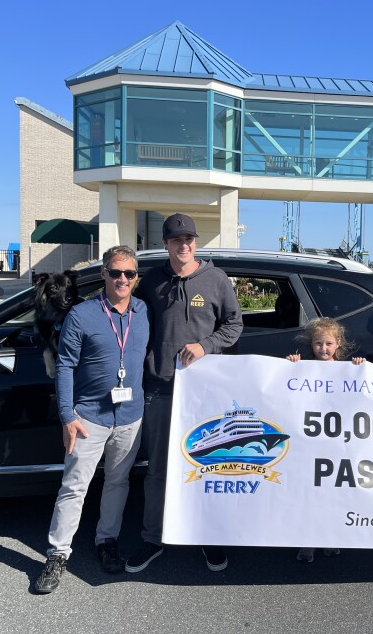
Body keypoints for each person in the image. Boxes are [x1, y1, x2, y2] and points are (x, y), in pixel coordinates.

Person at [125, 214, 243, 574]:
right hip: (159, 389)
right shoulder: (152, 282)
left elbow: (234, 324)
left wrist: (207, 345)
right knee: (158, 470)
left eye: (189, 238)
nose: (184, 244)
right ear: (166, 243)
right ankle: (152, 538)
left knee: (207, 466)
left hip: (204, 393)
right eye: (177, 239)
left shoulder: (215, 279)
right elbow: (128, 316)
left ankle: (207, 536)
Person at [34, 246, 150, 594]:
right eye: (115, 272)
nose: (122, 279)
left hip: (131, 417)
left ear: (136, 278)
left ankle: (107, 540)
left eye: (129, 274)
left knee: (118, 482)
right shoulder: (82, 315)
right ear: (103, 274)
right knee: (74, 487)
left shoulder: (142, 311)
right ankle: (57, 554)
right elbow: (65, 366)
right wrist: (68, 416)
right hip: (89, 418)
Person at [286, 317, 352, 563]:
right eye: (318, 344)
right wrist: (292, 366)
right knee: (310, 495)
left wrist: (360, 367)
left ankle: (330, 538)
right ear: (311, 345)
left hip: (336, 447)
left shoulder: (347, 369)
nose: (323, 349)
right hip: (310, 446)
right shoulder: (304, 368)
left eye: (328, 344)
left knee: (332, 496)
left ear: (338, 344)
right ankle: (308, 541)